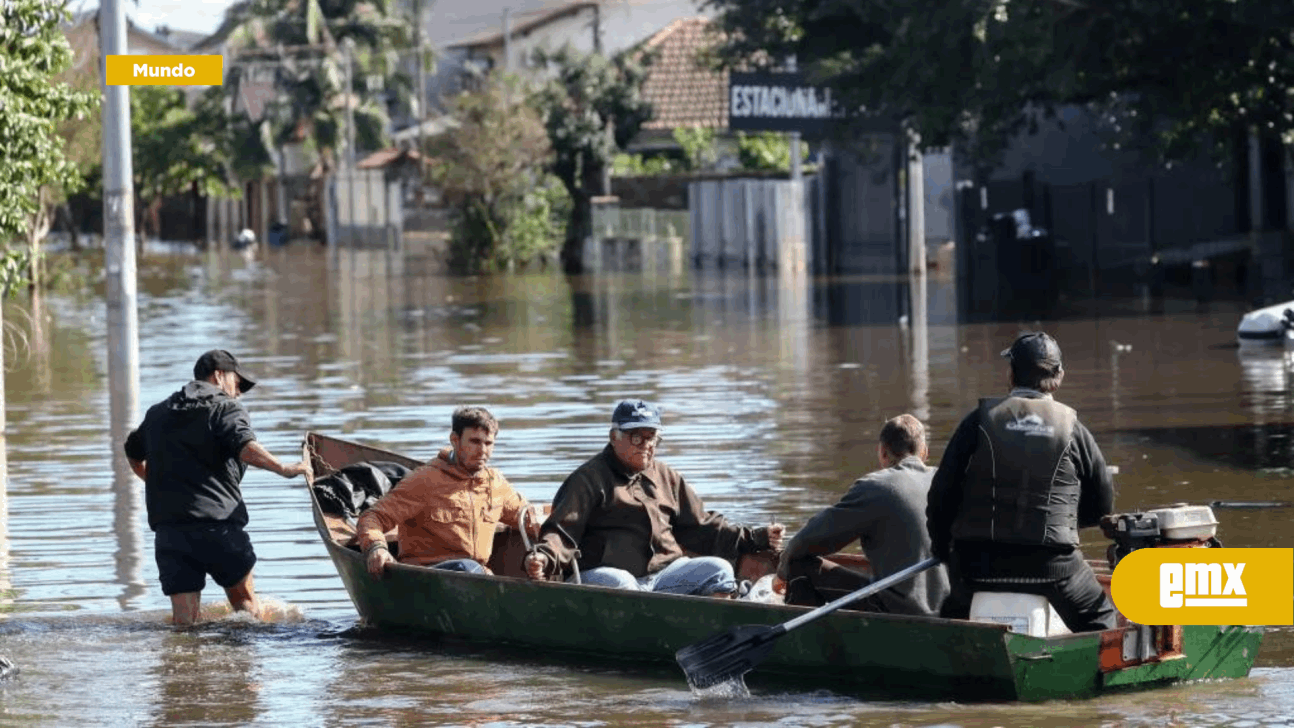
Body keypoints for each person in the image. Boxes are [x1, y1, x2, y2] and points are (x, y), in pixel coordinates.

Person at [926, 332, 1119, 632]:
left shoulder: (978, 421)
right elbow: (1103, 501)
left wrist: (942, 550)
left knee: (949, 620)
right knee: (1103, 619)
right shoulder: (1074, 429)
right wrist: (1065, 525)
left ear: (1011, 373)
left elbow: (941, 495)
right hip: (1054, 567)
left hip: (977, 566)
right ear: (1060, 376)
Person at [124, 350, 311, 626]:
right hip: (219, 529)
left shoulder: (157, 413)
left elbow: (132, 453)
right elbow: (246, 448)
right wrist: (283, 468)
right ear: (219, 375)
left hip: (171, 534)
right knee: (248, 615)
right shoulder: (225, 407)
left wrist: (155, 482)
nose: (238, 394)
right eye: (237, 384)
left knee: (184, 626)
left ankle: (187, 667)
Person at [525, 399, 785, 596]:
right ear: (613, 438)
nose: (646, 445)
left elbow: (701, 525)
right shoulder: (588, 479)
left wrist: (757, 537)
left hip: (663, 574)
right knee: (623, 584)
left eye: (652, 438)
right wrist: (543, 558)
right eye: (636, 437)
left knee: (719, 570)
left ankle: (712, 631)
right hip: (607, 576)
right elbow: (561, 532)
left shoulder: (666, 476)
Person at [777, 414, 950, 615]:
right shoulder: (948, 482)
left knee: (799, 565)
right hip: (952, 609)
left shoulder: (877, 487)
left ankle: (805, 643)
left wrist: (782, 573)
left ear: (882, 453)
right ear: (925, 453)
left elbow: (806, 541)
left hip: (901, 610)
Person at [357, 406, 536, 579]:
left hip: (478, 578)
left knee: (473, 570)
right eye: (474, 442)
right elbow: (372, 518)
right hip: (427, 577)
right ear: (455, 440)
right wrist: (377, 547)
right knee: (466, 568)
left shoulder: (495, 484)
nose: (483, 451)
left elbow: (528, 519)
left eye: (488, 443)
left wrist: (546, 552)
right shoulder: (424, 480)